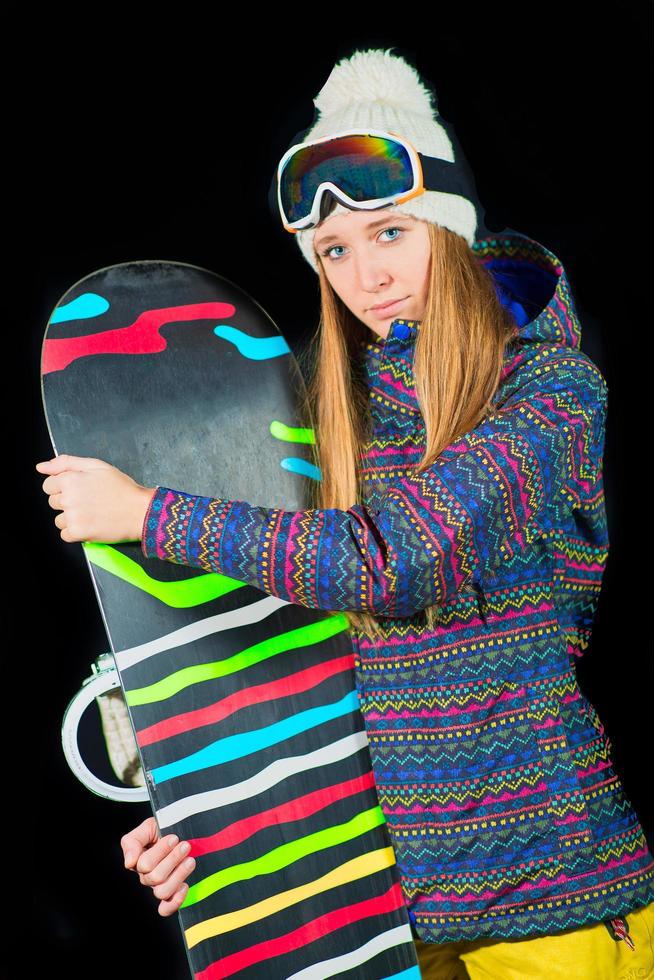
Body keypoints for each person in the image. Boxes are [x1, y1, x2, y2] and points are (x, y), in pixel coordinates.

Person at [36, 47, 654, 979]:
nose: (365, 277)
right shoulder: (331, 416)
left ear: (448, 226)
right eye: (335, 251)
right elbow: (281, 648)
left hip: (549, 897)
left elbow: (394, 560)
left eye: (392, 233)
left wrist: (144, 513)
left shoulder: (552, 394)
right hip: (378, 917)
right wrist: (195, 809)